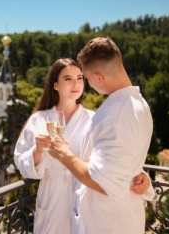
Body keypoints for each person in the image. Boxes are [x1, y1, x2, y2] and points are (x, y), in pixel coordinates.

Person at [14, 58, 153, 234]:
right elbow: (20, 161)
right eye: (67, 79)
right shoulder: (39, 119)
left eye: (80, 78)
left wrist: (139, 174)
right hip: (52, 199)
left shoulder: (94, 119)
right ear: (55, 85)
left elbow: (111, 158)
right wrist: (38, 150)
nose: (76, 84)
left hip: (85, 197)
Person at [48, 38, 154, 234]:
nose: (86, 84)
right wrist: (136, 173)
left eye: (86, 78)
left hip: (108, 223)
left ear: (98, 77)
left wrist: (64, 154)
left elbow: (102, 181)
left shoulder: (116, 115)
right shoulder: (139, 103)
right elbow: (125, 156)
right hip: (124, 217)